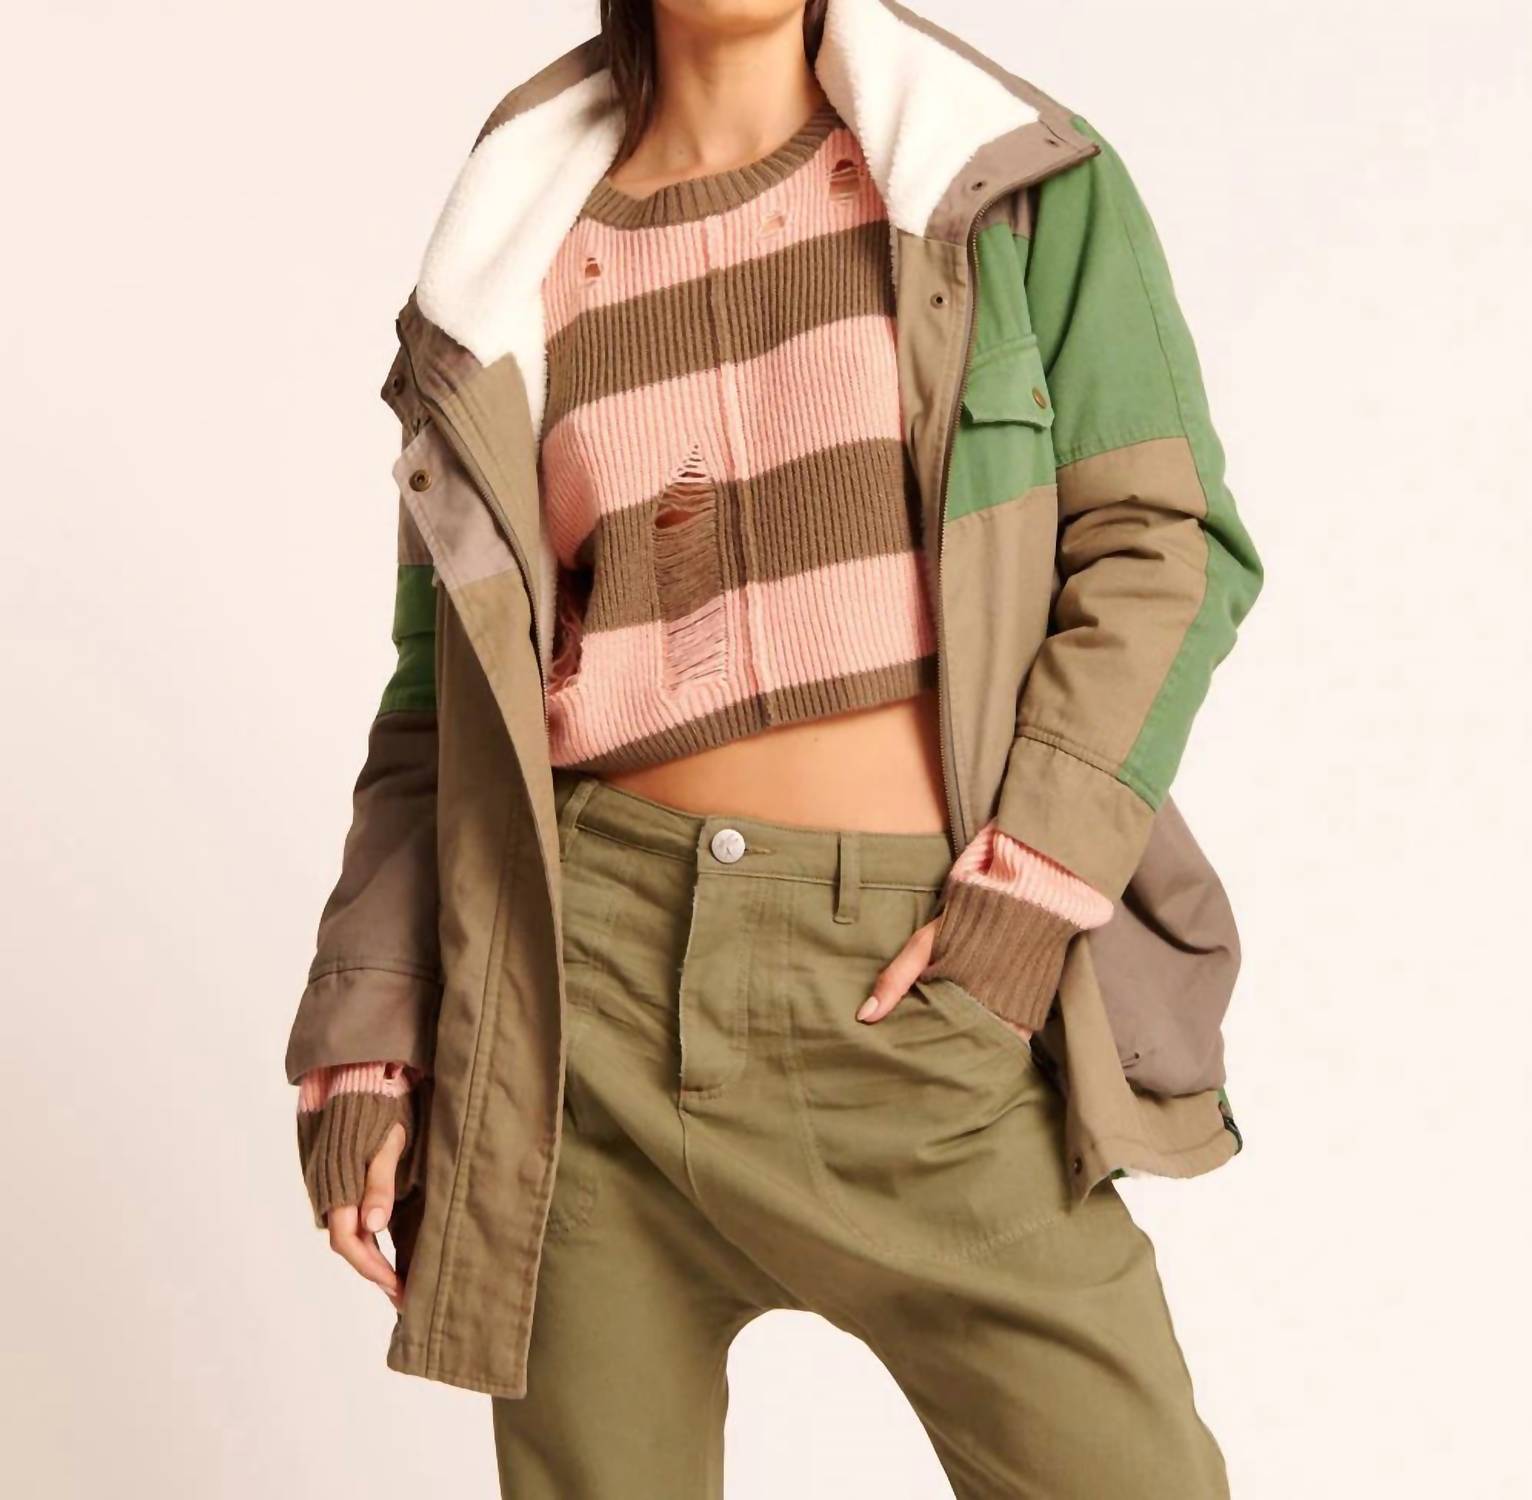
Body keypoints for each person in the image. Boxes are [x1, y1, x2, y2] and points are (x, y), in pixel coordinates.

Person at [283, 1, 1263, 1495]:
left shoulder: (1007, 182)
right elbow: (439, 697)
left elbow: (1162, 545)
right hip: (582, 1006)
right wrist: (373, 1024)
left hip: (913, 989)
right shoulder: (501, 254)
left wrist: (1024, 904)